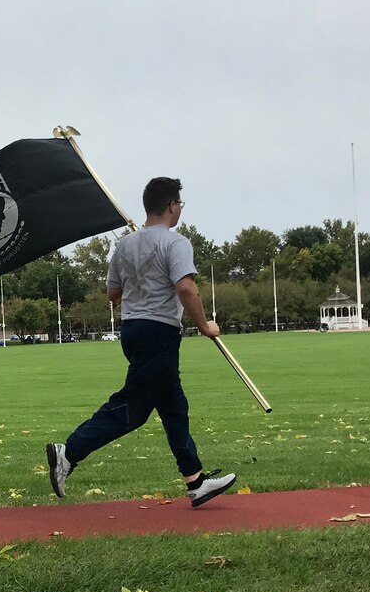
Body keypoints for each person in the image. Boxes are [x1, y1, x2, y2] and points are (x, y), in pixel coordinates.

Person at [45, 177, 236, 507]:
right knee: (133, 409)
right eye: (180, 205)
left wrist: (140, 280)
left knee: (174, 406)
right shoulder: (176, 244)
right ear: (172, 206)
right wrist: (205, 326)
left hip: (133, 330)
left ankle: (195, 481)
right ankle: (69, 452)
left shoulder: (125, 245)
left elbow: (112, 294)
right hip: (158, 333)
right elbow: (186, 288)